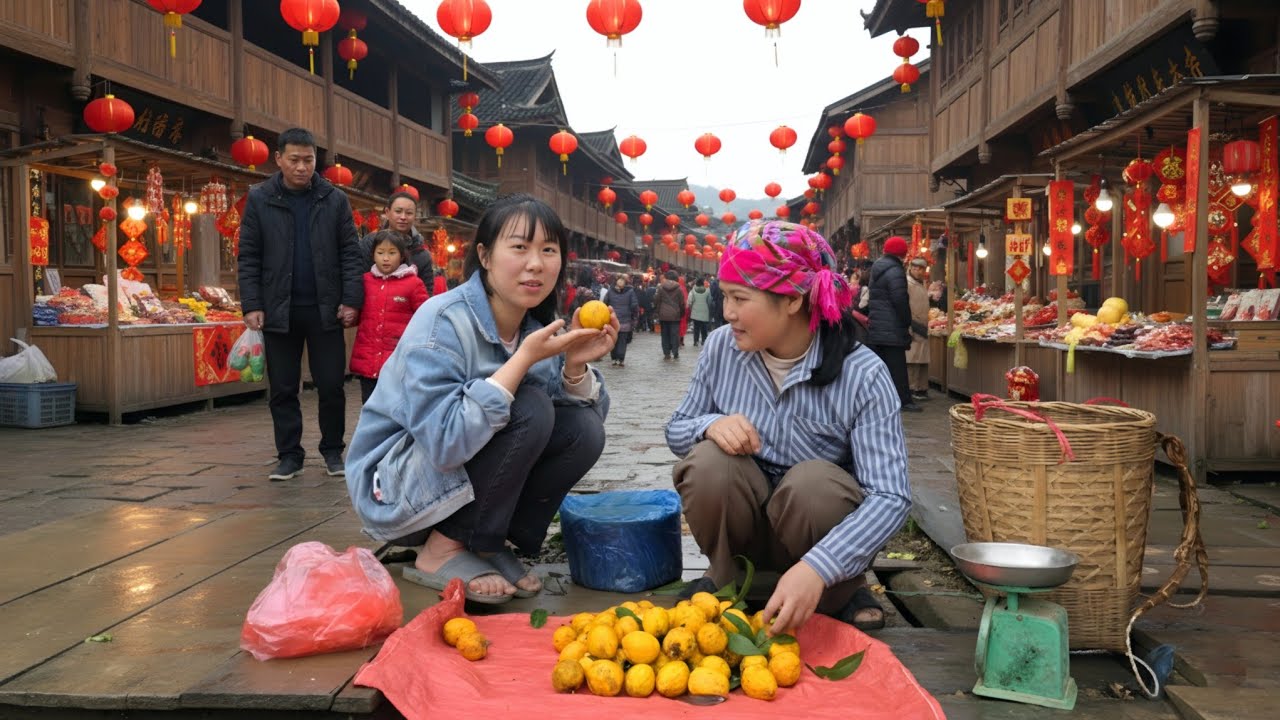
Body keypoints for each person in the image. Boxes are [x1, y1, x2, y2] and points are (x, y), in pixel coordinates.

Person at [345, 193, 616, 604]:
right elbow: (444, 442)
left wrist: (573, 367)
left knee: (582, 429)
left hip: (453, 492)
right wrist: (521, 361)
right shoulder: (442, 320)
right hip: (398, 493)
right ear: (485, 256)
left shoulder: (533, 326)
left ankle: (488, 543)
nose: (536, 264)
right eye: (519, 248)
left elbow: (569, 428)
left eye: (549, 250)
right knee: (528, 408)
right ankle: (441, 550)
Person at [666, 220, 910, 635]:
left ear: (794, 300)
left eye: (740, 298)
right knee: (709, 463)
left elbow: (891, 495)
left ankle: (839, 587)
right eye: (725, 297)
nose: (727, 313)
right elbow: (676, 429)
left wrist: (820, 566)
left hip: (817, 536)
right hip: (743, 525)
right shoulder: (721, 348)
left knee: (813, 483)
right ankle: (726, 575)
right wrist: (711, 425)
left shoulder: (863, 373)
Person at [238, 127, 364, 481]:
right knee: (282, 387)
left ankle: (332, 451)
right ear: (278, 159)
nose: (301, 167)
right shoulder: (260, 198)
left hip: (325, 308)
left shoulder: (334, 199)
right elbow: (248, 255)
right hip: (279, 308)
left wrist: (351, 299)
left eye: (308, 160)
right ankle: (289, 455)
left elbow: (350, 255)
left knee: (331, 385)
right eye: (294, 160)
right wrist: (252, 303)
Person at [349, 230, 429, 403]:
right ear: (373, 255)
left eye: (392, 253)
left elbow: (426, 319)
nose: (386, 258)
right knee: (369, 406)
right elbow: (354, 314)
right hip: (368, 360)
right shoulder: (364, 281)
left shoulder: (413, 284)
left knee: (395, 408)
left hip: (398, 362)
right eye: (380, 253)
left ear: (401, 256)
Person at [866, 237, 919, 412]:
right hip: (891, 326)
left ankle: (881, 399)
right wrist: (906, 322)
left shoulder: (878, 267)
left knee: (882, 365)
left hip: (878, 325)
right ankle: (903, 400)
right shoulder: (895, 271)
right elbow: (899, 299)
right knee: (897, 366)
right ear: (902, 254)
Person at [358, 191, 435, 292]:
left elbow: (426, 293)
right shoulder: (370, 242)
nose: (403, 217)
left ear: (415, 216)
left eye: (409, 213)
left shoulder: (422, 254)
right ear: (387, 212)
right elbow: (356, 277)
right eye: (398, 211)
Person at [906, 257, 932, 402]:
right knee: (912, 360)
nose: (918, 271)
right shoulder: (907, 284)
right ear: (910, 268)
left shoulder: (921, 284)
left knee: (923, 360)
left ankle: (922, 388)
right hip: (913, 324)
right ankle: (911, 388)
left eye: (921, 268)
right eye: (915, 268)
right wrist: (908, 326)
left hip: (923, 325)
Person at [605, 273, 639, 367]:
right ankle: (621, 359)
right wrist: (634, 317)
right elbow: (634, 305)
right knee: (622, 341)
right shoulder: (630, 291)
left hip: (612, 320)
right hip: (625, 320)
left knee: (613, 340)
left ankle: (614, 358)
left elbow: (605, 303)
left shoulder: (610, 290)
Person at [654, 270, 686, 360]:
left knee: (664, 334)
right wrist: (681, 313)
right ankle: (675, 352)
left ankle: (666, 353)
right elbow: (682, 303)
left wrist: (657, 312)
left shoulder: (661, 288)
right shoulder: (679, 289)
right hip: (675, 315)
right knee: (674, 334)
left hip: (663, 315)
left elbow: (657, 301)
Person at [688, 277, 712, 345]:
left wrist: (691, 307)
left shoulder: (693, 290)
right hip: (705, 311)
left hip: (695, 311)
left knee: (696, 328)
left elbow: (690, 300)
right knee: (704, 327)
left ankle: (696, 341)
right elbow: (709, 301)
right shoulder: (707, 290)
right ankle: (704, 340)